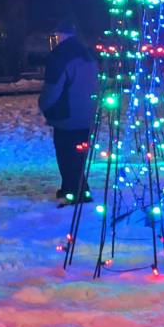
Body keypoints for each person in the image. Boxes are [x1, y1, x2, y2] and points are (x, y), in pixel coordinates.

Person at [38, 20, 99, 204]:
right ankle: (76, 189)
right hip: (87, 113)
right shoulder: (87, 53)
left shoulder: (60, 56)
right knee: (79, 155)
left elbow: (53, 89)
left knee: (66, 155)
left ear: (59, 35)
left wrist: (44, 105)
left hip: (67, 115)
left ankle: (74, 192)